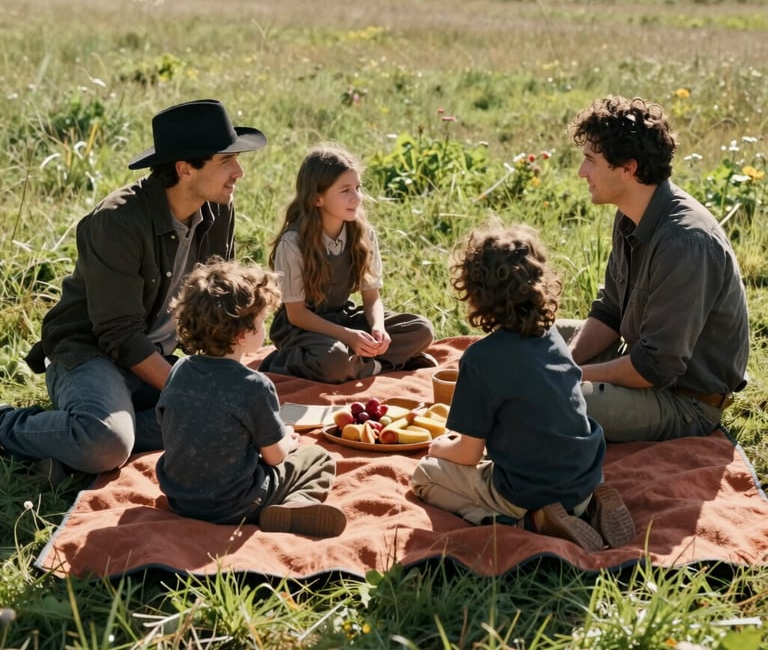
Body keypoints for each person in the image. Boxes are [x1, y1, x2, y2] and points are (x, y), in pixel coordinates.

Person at [0, 99, 267, 477]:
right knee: (107, 443)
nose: (238, 172)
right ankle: (12, 425)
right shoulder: (116, 222)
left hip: (154, 356)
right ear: (184, 168)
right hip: (91, 355)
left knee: (231, 415)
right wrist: (193, 390)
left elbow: (217, 301)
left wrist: (225, 380)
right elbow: (119, 336)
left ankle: (68, 447)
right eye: (226, 160)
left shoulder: (219, 208)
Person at [410, 223, 635, 552]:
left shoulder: (480, 358)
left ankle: (528, 522)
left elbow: (468, 454)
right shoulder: (553, 336)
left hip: (528, 489)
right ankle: (585, 505)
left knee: (425, 477)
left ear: (475, 293)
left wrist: (439, 447)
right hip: (583, 473)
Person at [561, 95, 749, 442]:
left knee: (548, 400)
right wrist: (565, 362)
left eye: (590, 160)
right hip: (636, 360)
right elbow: (610, 311)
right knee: (525, 339)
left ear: (628, 168)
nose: (581, 172)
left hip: (684, 400)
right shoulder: (630, 213)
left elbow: (655, 366)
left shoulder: (685, 242)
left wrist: (567, 378)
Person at [155, 258, 346, 538]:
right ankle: (295, 504)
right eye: (261, 321)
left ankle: (276, 507)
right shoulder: (254, 386)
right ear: (244, 334)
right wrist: (287, 441)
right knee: (317, 458)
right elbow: (274, 456)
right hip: (235, 503)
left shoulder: (179, 370)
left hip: (180, 498)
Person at [260, 142, 437, 383]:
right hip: (303, 328)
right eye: (345, 190)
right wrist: (349, 337)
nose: (357, 198)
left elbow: (372, 298)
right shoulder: (293, 243)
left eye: (358, 188)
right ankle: (285, 362)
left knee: (421, 329)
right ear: (317, 198)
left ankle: (365, 364)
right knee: (333, 360)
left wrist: (378, 328)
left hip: (344, 317)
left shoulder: (363, 234)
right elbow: (297, 314)